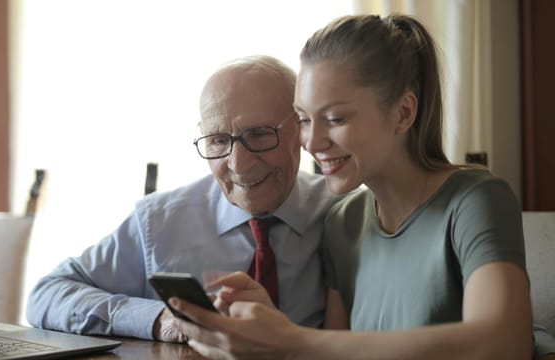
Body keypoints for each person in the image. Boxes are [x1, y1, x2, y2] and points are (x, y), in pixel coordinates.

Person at [171, 14, 555, 359]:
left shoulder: (474, 199)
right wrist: (267, 330)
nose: (312, 142)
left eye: (335, 118)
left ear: (404, 112)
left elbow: (503, 345)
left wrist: (291, 339)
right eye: (304, 119)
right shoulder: (343, 222)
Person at [25, 55, 341, 342]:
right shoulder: (159, 221)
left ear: (302, 128)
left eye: (259, 135)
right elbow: (47, 294)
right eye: (218, 140)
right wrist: (158, 318)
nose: (238, 164)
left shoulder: (345, 214)